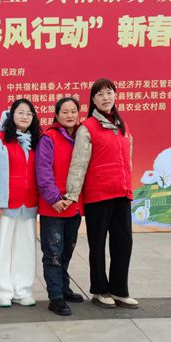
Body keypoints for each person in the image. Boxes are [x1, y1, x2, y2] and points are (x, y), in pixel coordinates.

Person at [65, 78, 139, 309]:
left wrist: (128, 185)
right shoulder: (87, 128)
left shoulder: (123, 127)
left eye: (109, 93)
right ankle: (99, 290)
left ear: (115, 95)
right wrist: (72, 194)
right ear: (93, 100)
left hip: (121, 194)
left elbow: (127, 161)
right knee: (97, 244)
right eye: (100, 94)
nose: (106, 98)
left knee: (123, 243)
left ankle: (119, 290)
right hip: (98, 195)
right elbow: (79, 164)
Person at [35, 97, 85, 316]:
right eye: (65, 111)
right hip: (53, 206)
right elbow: (43, 171)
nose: (70, 115)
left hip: (74, 205)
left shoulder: (82, 137)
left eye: (73, 111)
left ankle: (64, 289)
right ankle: (55, 297)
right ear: (56, 115)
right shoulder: (49, 138)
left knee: (67, 251)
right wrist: (54, 198)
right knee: (53, 254)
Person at [0, 99, 40, 307]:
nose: (25, 117)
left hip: (28, 204)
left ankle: (23, 290)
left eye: (29, 113)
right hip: (4, 206)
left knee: (25, 249)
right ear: (11, 115)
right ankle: (3, 292)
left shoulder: (36, 141)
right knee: (2, 249)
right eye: (20, 112)